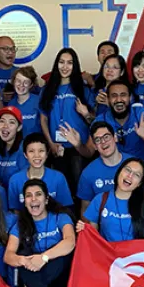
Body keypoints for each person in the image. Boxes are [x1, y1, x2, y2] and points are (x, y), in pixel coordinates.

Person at [4, 178, 75, 287]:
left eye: (38, 194)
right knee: (23, 255)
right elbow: (8, 255)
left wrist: (44, 257)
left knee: (61, 254)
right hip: (37, 282)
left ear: (47, 199)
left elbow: (70, 242)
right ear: (24, 201)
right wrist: (23, 260)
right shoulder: (20, 224)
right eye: (29, 195)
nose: (33, 199)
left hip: (59, 281)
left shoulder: (61, 217)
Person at [38, 48, 94, 190]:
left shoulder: (82, 89)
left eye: (69, 63)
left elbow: (93, 120)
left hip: (78, 147)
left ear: (75, 66)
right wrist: (50, 143)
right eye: (61, 62)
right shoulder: (48, 89)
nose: (65, 66)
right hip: (57, 147)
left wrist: (86, 113)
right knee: (60, 188)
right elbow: (43, 119)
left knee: (79, 188)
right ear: (56, 64)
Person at [75, 122, 144, 211]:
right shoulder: (88, 173)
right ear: (95, 146)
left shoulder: (137, 164)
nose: (103, 142)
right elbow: (85, 210)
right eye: (98, 140)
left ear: (115, 137)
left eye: (106, 137)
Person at [79, 157, 144, 242]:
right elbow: (93, 236)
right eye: (127, 170)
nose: (130, 176)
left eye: (137, 175)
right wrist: (84, 229)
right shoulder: (100, 199)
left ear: (139, 183)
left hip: (135, 254)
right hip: (107, 253)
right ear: (119, 172)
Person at [7, 134, 74, 211]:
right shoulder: (15, 180)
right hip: (25, 222)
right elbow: (15, 211)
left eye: (41, 151)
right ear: (25, 155)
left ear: (47, 154)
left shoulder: (58, 178)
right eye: (31, 151)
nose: (37, 155)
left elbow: (66, 208)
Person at [95, 79, 144, 162]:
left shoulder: (142, 114)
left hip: (142, 167)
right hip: (115, 169)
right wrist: (78, 144)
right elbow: (89, 152)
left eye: (123, 95)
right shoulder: (100, 121)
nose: (119, 100)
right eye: (114, 96)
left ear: (130, 97)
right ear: (108, 99)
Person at [0, 106, 29, 189]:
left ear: (19, 128)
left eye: (11, 122)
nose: (5, 126)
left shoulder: (24, 149)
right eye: (2, 121)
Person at [7, 66, 41, 138]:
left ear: (31, 85)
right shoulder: (11, 104)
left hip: (35, 145)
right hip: (17, 146)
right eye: (18, 81)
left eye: (26, 82)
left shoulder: (39, 101)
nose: (21, 85)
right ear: (14, 82)